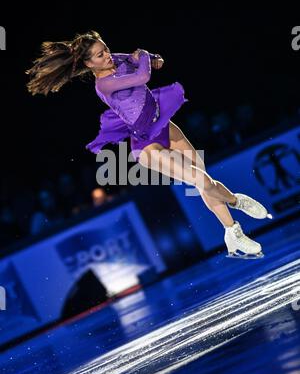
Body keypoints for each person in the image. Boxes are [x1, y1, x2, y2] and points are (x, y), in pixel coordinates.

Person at [26, 30, 272, 258]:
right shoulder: (103, 84)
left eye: (106, 49)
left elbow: (156, 62)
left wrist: (153, 57)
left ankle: (232, 232)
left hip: (164, 125)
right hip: (146, 145)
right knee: (202, 181)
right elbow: (142, 75)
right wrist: (143, 54)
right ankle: (236, 202)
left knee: (203, 180)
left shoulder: (117, 59)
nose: (108, 55)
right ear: (89, 64)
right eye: (101, 55)